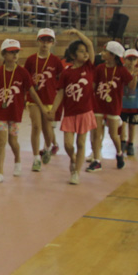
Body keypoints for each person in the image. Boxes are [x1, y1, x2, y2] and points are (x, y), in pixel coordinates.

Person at [0, 39, 40, 182]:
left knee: (13, 141)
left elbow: (32, 92)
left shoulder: (23, 73)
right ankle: (0, 172)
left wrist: (41, 106)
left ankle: (17, 159)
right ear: (4, 54)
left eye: (16, 52)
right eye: (11, 52)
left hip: (15, 113)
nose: (15, 55)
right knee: (2, 141)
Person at [50, 29, 96, 185]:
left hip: (85, 112)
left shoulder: (88, 67)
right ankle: (74, 159)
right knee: (68, 145)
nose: (86, 54)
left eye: (86, 52)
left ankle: (76, 172)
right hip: (69, 113)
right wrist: (53, 110)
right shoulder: (66, 73)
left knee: (81, 143)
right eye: (81, 52)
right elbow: (60, 93)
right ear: (73, 55)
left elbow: (89, 43)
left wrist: (77, 33)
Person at [90, 40, 136, 171]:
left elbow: (131, 86)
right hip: (98, 104)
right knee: (96, 134)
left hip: (114, 106)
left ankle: (119, 153)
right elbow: (93, 85)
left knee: (113, 134)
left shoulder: (121, 70)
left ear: (113, 55)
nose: (102, 54)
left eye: (105, 51)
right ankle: (96, 160)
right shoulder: (99, 68)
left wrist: (135, 76)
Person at [24, 28, 63, 170]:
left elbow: (61, 80)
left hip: (49, 100)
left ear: (53, 43)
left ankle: (47, 147)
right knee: (36, 126)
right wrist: (23, 98)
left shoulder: (56, 61)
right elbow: (26, 82)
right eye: (43, 40)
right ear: (38, 41)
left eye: (49, 41)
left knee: (48, 131)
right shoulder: (30, 60)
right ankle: (35, 159)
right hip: (33, 99)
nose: (45, 44)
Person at [119, 49, 138, 157]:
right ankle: (122, 142)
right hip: (122, 105)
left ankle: (131, 143)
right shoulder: (121, 72)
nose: (131, 62)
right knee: (122, 124)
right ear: (124, 59)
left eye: (134, 59)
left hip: (134, 104)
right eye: (129, 59)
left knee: (132, 125)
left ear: (137, 60)